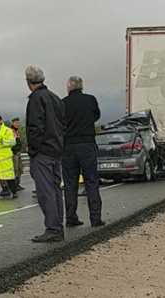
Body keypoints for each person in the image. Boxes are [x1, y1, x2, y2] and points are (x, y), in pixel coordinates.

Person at [25, 66, 66, 242]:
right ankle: (58, 226)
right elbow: (63, 124)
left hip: (42, 151)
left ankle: (52, 228)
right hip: (56, 149)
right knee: (56, 189)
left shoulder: (36, 99)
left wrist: (33, 149)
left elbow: (36, 127)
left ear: (28, 81)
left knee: (45, 191)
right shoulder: (55, 98)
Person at [62, 76, 105, 228]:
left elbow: (60, 122)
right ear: (81, 87)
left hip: (69, 146)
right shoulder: (90, 100)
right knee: (91, 181)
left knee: (70, 183)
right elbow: (96, 116)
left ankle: (70, 217)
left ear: (69, 87)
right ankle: (95, 217)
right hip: (87, 144)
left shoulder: (63, 103)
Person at [0, 117, 25, 195]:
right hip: (13, 153)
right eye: (15, 122)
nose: (17, 124)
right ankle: (12, 186)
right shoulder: (10, 131)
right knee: (15, 169)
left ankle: (17, 184)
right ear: (12, 123)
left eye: (18, 122)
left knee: (20, 168)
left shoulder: (16, 132)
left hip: (18, 152)